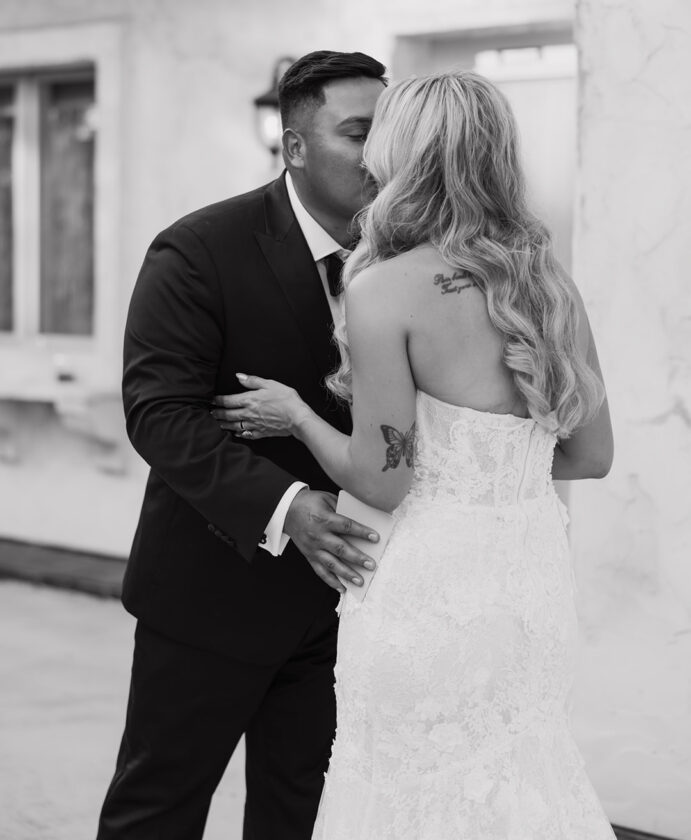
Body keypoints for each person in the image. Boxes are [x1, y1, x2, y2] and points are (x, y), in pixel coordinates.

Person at [211, 71, 616, 838]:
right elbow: (590, 454)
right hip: (526, 591)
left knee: (403, 796)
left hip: (426, 595)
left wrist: (297, 416)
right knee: (518, 781)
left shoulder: (385, 290)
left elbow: (382, 480)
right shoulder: (548, 285)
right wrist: (486, 470)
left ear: (404, 153)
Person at [96, 50, 390, 840]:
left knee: (304, 817)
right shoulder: (198, 249)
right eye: (359, 132)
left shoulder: (407, 259)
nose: (382, 153)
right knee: (157, 810)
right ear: (294, 147)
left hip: (351, 604)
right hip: (210, 593)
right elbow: (160, 413)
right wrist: (288, 508)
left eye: (391, 131)